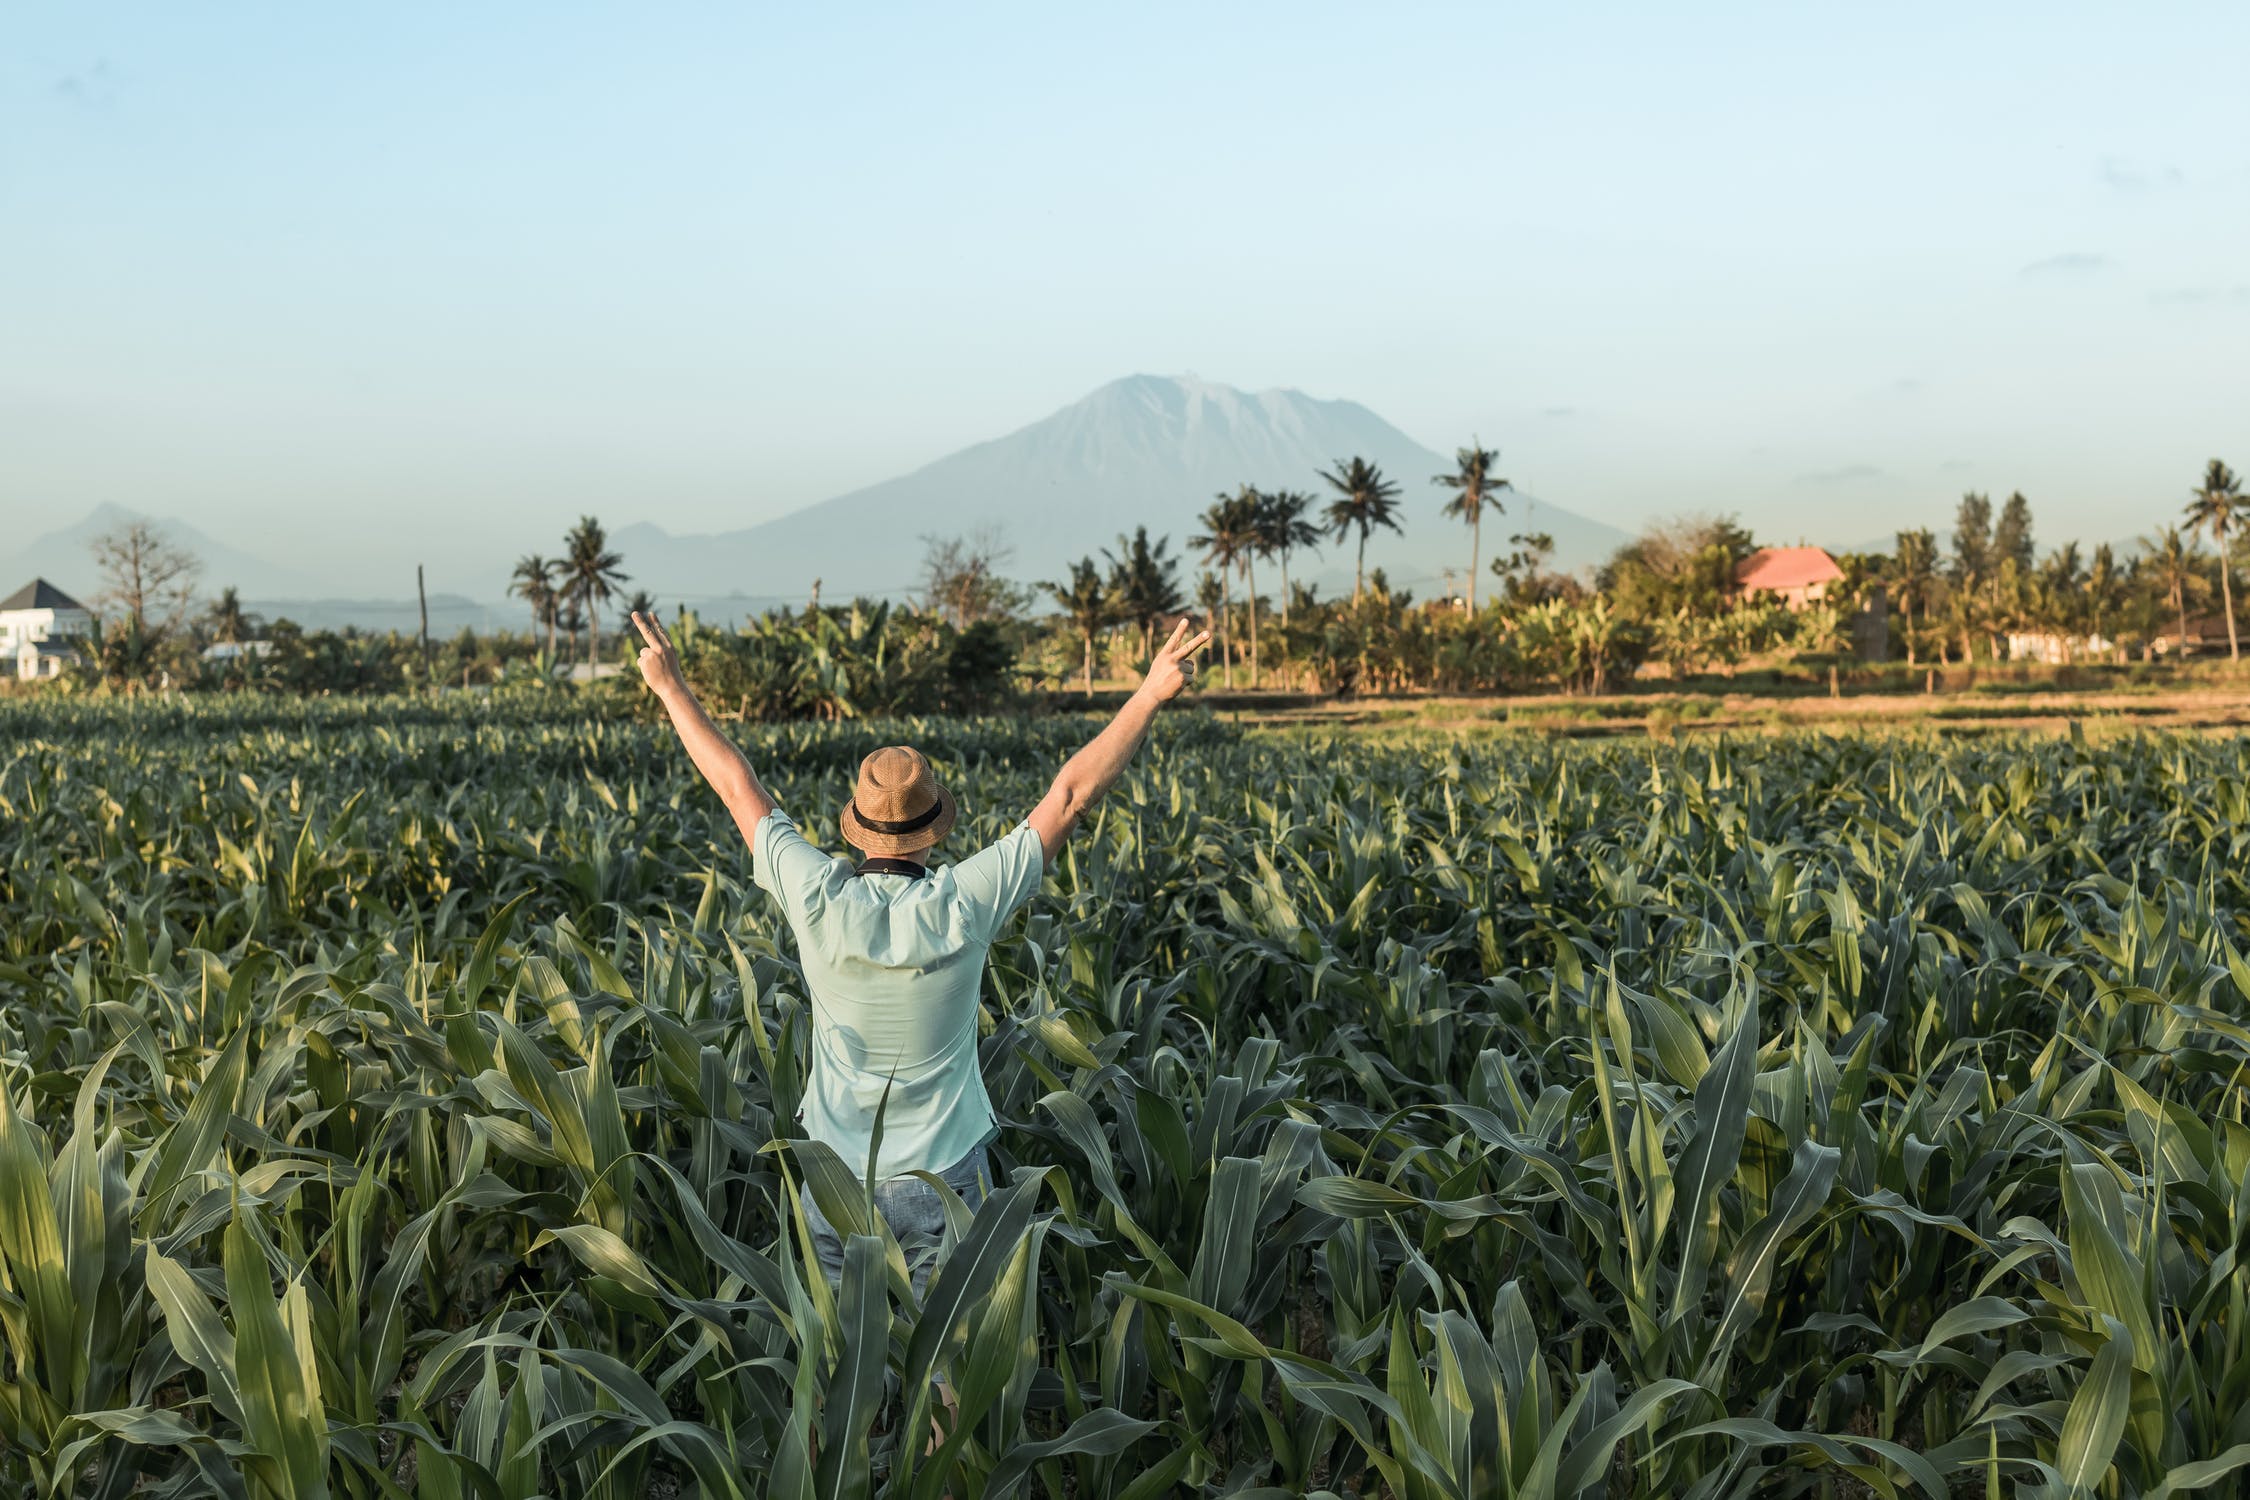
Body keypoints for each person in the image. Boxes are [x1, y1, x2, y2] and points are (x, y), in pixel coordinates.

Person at [628, 609, 1211, 1299]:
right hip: (945, 1179)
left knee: (846, 1365)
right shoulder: (964, 902)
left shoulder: (815, 895)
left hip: (837, 1177)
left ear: (858, 827)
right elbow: (1071, 795)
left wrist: (669, 688)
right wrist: (1148, 694)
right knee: (946, 1365)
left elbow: (736, 785)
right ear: (932, 831)